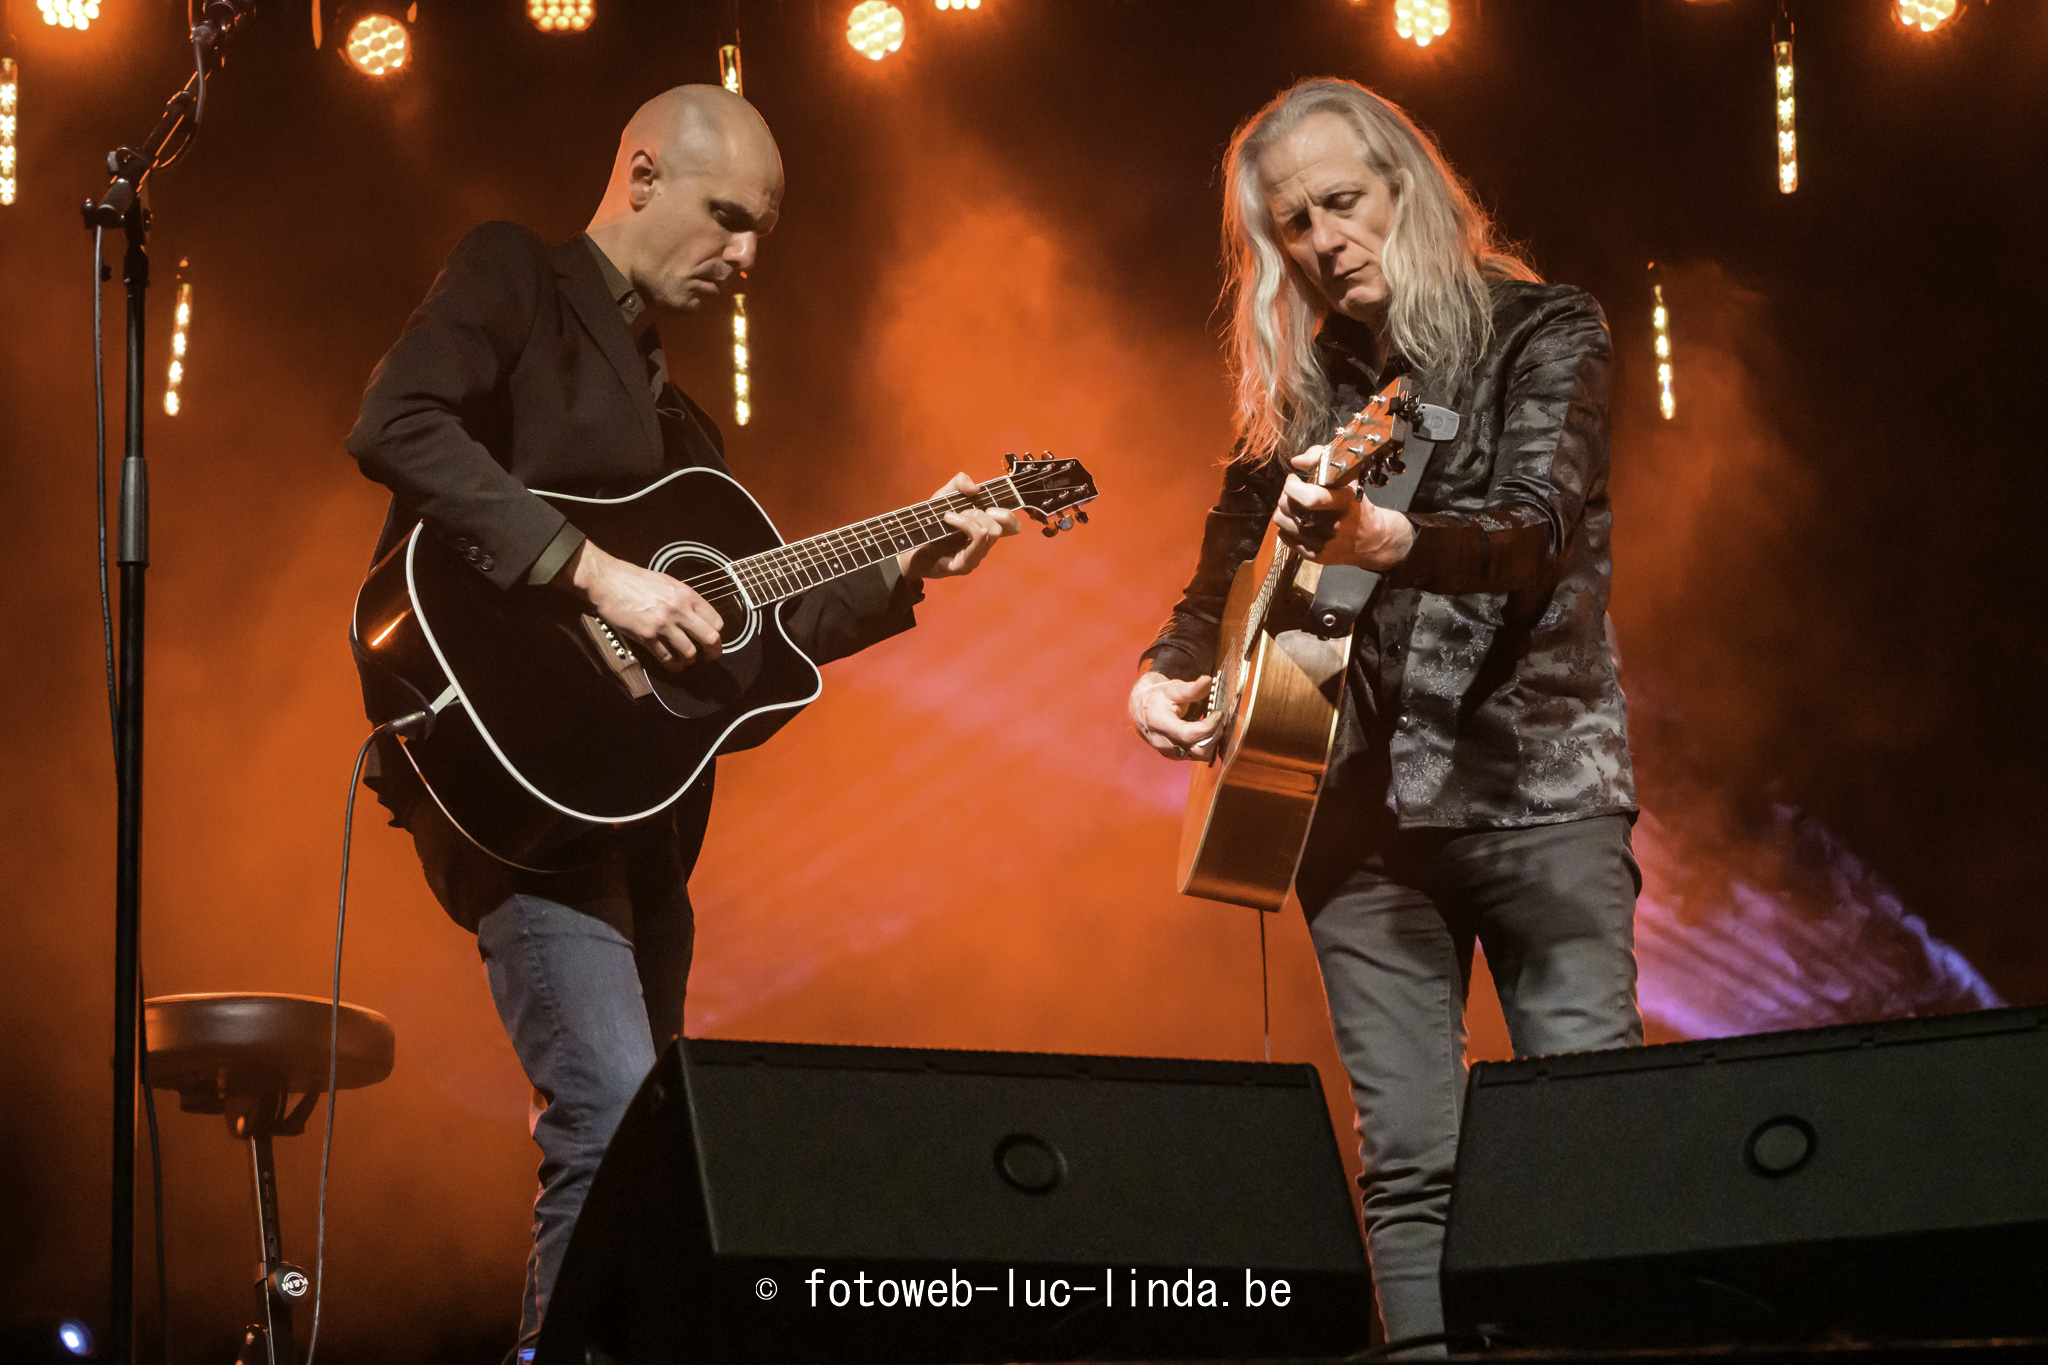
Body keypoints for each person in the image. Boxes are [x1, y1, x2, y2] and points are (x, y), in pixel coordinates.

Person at [345, 86, 1016, 1354]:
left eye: (763, 231)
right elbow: (396, 423)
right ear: (642, 175)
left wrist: (905, 563)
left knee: (651, 1155)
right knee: (605, 1117)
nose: (747, 256)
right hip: (516, 785)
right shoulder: (516, 274)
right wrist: (594, 573)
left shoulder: (683, 429)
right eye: (729, 218)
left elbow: (745, 639)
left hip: (635, 816)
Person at [1128, 78, 1640, 1349]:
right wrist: (1159, 671)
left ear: (1406, 187)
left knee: (1595, 1143)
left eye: (1341, 202)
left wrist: (1387, 539)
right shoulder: (1304, 391)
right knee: (1406, 1165)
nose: (1321, 242)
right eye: (1291, 225)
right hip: (1352, 821)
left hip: (1535, 792)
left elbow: (1531, 530)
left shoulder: (1546, 329)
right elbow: (1220, 571)